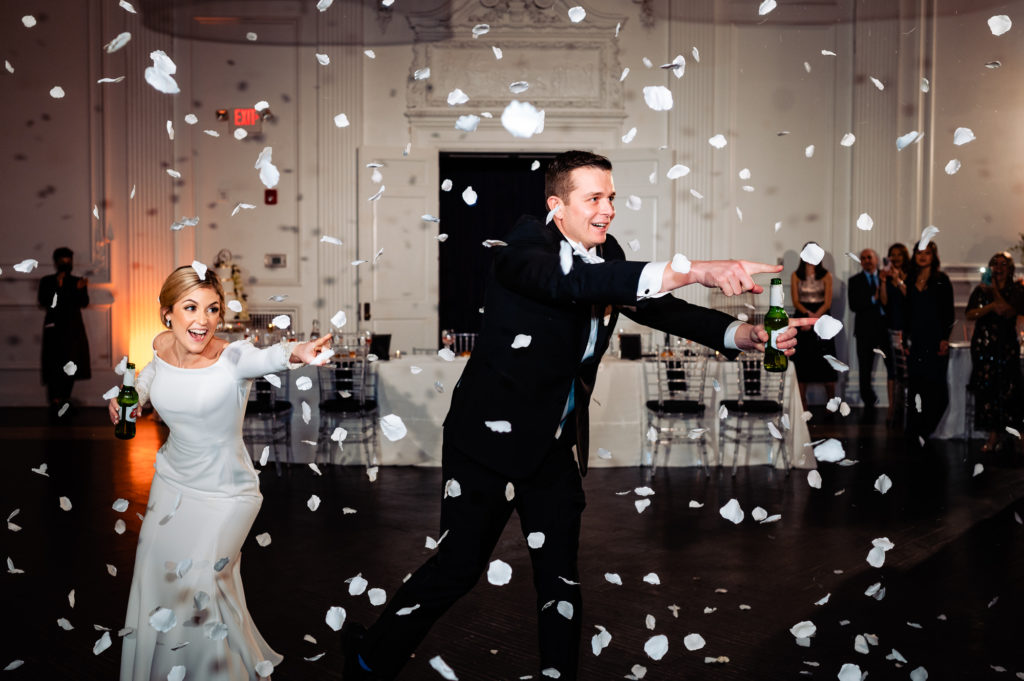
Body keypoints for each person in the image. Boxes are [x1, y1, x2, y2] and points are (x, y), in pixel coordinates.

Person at [341, 151, 816, 681]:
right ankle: (369, 659)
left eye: (610, 197)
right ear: (556, 207)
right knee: (457, 568)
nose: (608, 209)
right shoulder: (520, 249)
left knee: (560, 579)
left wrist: (740, 334)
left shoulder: (607, 251)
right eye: (594, 198)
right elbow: (572, 284)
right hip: (487, 446)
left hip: (552, 447)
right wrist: (697, 270)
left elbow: (656, 307)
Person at [110, 265, 332, 681]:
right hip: (172, 483)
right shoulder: (160, 345)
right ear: (168, 313)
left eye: (212, 309)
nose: (204, 320)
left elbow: (267, 356)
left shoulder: (231, 356)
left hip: (228, 493)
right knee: (157, 579)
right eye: (191, 308)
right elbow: (149, 377)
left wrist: (296, 352)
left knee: (201, 579)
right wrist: (134, 398)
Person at [966, 251, 1024, 452]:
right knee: (988, 392)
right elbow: (970, 313)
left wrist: (993, 293)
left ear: (1009, 269)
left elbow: (1006, 310)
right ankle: (992, 435)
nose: (998, 268)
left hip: (1006, 347)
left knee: (1011, 390)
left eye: (1002, 265)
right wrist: (990, 304)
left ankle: (1016, 435)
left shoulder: (1016, 289)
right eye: (994, 264)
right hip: (984, 346)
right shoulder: (980, 291)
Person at [903, 241, 954, 441]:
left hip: (935, 339)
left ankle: (927, 427)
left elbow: (948, 312)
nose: (922, 256)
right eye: (919, 253)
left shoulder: (942, 280)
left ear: (934, 256)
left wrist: (944, 339)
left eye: (927, 253)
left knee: (936, 387)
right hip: (915, 340)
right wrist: (904, 336)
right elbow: (907, 312)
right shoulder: (910, 279)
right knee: (916, 385)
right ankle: (915, 430)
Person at [37, 247, 91, 415]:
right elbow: (45, 301)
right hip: (54, 330)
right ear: (56, 262)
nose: (66, 263)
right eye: (63, 260)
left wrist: (80, 289)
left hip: (73, 330)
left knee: (71, 363)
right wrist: (59, 287)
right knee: (53, 363)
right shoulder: (47, 281)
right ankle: (55, 400)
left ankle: (65, 399)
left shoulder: (77, 281)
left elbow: (84, 302)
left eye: (69, 260)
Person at [790, 249, 837, 407]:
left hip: (822, 317)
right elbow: (796, 301)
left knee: (826, 361)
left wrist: (815, 318)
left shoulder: (826, 275)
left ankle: (831, 402)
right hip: (802, 317)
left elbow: (828, 303)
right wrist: (807, 317)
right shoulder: (796, 275)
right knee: (802, 361)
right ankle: (802, 402)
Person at [848, 248, 892, 409]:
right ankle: (868, 403)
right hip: (864, 331)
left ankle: (894, 403)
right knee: (864, 369)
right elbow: (854, 305)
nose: (866, 260)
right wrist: (872, 299)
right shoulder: (854, 281)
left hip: (885, 330)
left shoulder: (885, 276)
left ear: (876, 259)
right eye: (863, 258)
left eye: (869, 257)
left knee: (892, 368)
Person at [878, 242, 910, 424]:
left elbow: (911, 297)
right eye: (893, 255)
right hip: (890, 326)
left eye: (899, 254)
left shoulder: (910, 276)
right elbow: (883, 301)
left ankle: (906, 410)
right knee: (891, 369)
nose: (896, 258)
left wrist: (899, 280)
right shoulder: (887, 276)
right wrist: (883, 281)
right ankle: (892, 408)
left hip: (906, 329)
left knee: (906, 371)